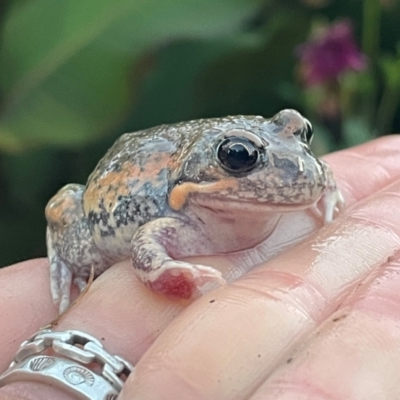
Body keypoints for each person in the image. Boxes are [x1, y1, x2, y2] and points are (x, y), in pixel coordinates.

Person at [0, 135, 400, 400]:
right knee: (81, 249)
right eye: (240, 157)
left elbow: (301, 160)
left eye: (302, 136)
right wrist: (174, 278)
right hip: (101, 207)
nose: (298, 165)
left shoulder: (288, 167)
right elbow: (146, 248)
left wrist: (325, 182)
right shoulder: (180, 219)